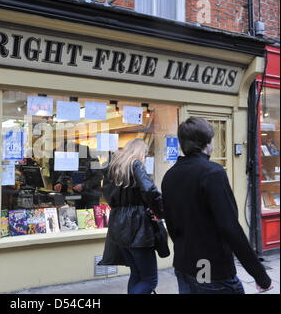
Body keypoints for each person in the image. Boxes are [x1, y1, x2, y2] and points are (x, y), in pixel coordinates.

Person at [161, 116, 273, 294]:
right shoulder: (212, 173)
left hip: (183, 264)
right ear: (207, 143)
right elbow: (230, 228)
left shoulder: (170, 175)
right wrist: (261, 276)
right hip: (207, 268)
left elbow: (172, 223)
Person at [98, 138, 164, 294]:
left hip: (118, 227)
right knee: (150, 280)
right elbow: (149, 191)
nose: (146, 157)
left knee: (136, 274)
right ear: (140, 152)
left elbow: (107, 195)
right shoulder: (136, 165)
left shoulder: (113, 168)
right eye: (145, 154)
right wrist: (162, 211)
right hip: (138, 227)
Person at [52, 142, 103, 209]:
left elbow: (98, 176)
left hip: (92, 195)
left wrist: (83, 186)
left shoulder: (93, 159)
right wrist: (60, 183)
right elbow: (65, 173)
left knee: (92, 217)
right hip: (78, 194)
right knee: (78, 215)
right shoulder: (73, 158)